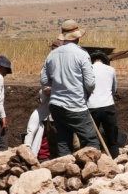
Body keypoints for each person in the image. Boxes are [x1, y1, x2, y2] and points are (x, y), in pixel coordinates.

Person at [40, 19, 99, 157]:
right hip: (76, 104)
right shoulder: (82, 54)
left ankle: (64, 170)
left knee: (63, 140)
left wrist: (57, 86)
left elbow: (44, 80)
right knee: (91, 140)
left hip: (56, 105)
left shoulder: (52, 54)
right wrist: (86, 94)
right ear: (77, 37)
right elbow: (90, 83)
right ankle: (94, 171)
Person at [88, 49, 121, 158]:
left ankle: (94, 161)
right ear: (104, 60)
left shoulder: (88, 70)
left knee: (92, 138)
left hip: (91, 107)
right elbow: (114, 89)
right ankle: (115, 160)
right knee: (112, 137)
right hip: (108, 106)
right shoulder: (111, 70)